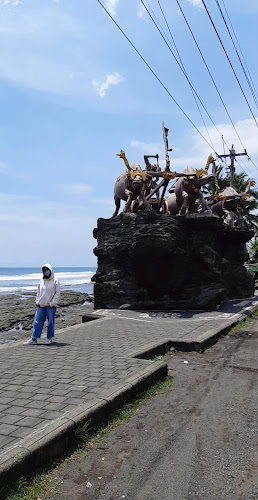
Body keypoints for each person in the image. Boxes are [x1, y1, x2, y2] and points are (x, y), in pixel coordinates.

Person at [23, 263, 60, 345]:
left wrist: (52, 303)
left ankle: (49, 338)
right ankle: (34, 339)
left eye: (47, 270)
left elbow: (57, 294)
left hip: (50, 306)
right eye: (44, 270)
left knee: (50, 322)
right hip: (41, 305)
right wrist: (37, 301)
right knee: (37, 321)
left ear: (50, 270)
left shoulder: (55, 281)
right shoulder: (41, 281)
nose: (46, 272)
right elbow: (38, 293)